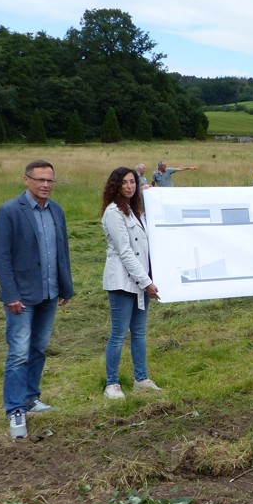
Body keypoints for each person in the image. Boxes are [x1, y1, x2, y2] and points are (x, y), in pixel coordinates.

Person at [0, 160, 74, 440]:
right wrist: (10, 294)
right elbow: (1, 258)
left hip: (49, 292)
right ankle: (15, 409)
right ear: (26, 180)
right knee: (18, 352)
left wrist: (66, 286)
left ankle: (30, 397)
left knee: (38, 347)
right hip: (22, 297)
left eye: (50, 180)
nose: (45, 185)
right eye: (40, 179)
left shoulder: (56, 211)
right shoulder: (10, 211)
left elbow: (61, 250)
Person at [101, 167, 162, 400]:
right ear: (115, 185)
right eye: (124, 182)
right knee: (119, 333)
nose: (129, 186)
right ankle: (112, 383)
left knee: (139, 332)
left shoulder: (136, 211)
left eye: (133, 182)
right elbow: (125, 252)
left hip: (140, 281)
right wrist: (147, 282)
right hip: (122, 282)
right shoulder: (113, 212)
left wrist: (150, 196)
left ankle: (141, 378)